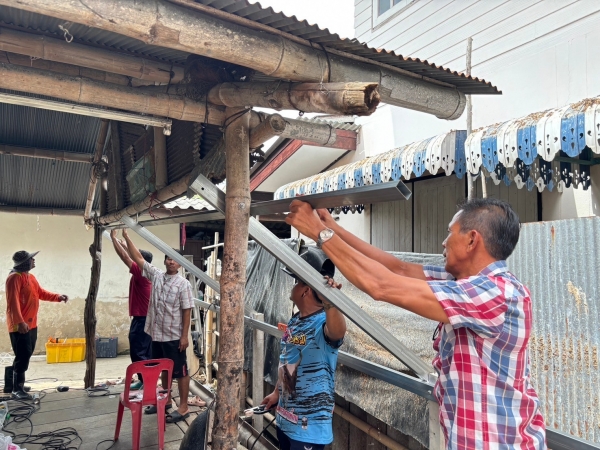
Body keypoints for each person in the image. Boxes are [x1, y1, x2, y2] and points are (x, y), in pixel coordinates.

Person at [286, 198, 547, 450]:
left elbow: (381, 285)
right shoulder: (461, 283)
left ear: (471, 240)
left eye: (450, 232)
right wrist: (333, 228)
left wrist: (319, 232)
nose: (444, 242)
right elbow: (396, 269)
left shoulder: (496, 293)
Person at [261, 248, 346, 450]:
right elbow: (287, 360)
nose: (293, 286)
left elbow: (337, 333)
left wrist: (330, 303)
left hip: (309, 431)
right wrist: (277, 393)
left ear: (306, 290)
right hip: (285, 421)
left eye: (296, 281)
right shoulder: (295, 321)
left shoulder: (322, 323)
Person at [121, 229, 194, 423]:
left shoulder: (183, 284)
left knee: (180, 371)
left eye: (175, 259)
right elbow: (137, 258)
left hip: (174, 336)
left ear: (180, 263)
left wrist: (184, 336)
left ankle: (184, 407)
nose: (171, 262)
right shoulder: (156, 276)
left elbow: (187, 310)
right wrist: (127, 237)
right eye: (168, 258)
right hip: (157, 334)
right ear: (164, 261)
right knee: (163, 368)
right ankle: (166, 400)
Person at [5, 251, 68, 399]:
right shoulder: (14, 278)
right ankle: (16, 389)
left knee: (26, 353)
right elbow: (12, 303)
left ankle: (14, 384)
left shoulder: (30, 277)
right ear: (24, 262)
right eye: (31, 259)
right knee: (23, 354)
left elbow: (40, 293)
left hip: (31, 323)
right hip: (20, 325)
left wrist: (57, 297)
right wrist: (20, 322)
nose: (33, 260)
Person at [110, 229, 153, 390]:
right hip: (146, 318)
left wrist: (114, 238)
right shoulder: (146, 271)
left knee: (138, 351)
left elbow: (125, 257)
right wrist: (122, 243)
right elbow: (129, 253)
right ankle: (145, 380)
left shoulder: (142, 272)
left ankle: (147, 381)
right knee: (144, 351)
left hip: (142, 319)